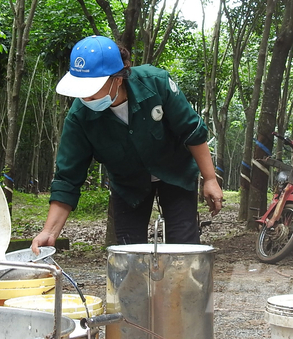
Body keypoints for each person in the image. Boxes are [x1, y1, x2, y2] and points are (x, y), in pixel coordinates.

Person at [32, 35, 223, 252]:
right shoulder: (79, 117)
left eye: (92, 88)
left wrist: (209, 178)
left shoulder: (156, 84)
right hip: (128, 185)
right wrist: (50, 232)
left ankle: (182, 286)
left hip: (175, 172)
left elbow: (192, 131)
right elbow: (68, 178)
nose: (85, 97)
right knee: (130, 254)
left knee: (183, 248)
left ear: (117, 79)